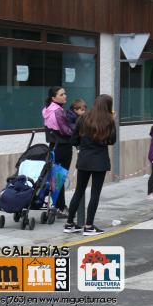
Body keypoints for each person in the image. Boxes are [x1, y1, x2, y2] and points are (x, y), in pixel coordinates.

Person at [63, 94, 116, 236]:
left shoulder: (83, 118)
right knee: (95, 193)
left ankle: (69, 224)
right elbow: (112, 141)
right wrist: (112, 122)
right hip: (99, 161)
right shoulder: (108, 121)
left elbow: (73, 140)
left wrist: (85, 144)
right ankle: (89, 226)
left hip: (84, 160)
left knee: (78, 191)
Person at [42, 87, 73, 218]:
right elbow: (67, 131)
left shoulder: (46, 110)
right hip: (63, 147)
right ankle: (60, 207)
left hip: (53, 146)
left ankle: (58, 205)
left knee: (55, 178)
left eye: (65, 93)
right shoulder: (59, 112)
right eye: (62, 94)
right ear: (54, 98)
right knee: (60, 178)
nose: (65, 96)